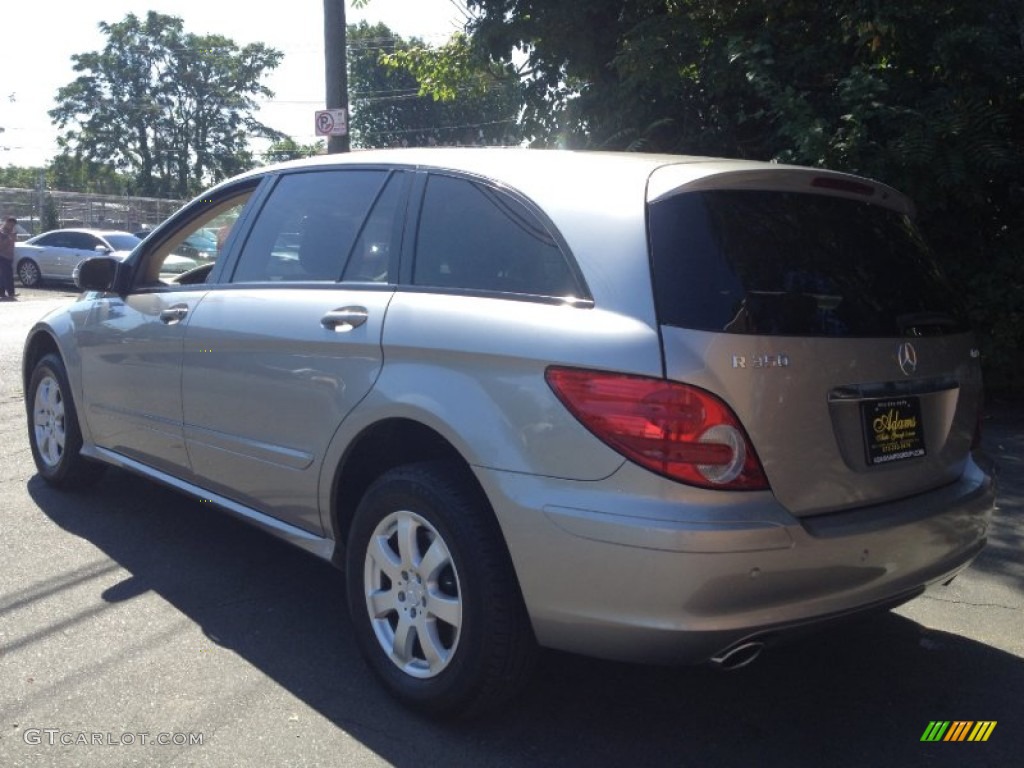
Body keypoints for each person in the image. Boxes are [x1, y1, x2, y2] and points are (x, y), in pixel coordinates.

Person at [0, 216, 18, 300]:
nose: (12, 227)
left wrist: (13, 238)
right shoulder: (2, 232)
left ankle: (4, 293)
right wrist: (9, 239)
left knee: (6, 275)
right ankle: (10, 293)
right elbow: (1, 246)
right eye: (11, 224)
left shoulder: (10, 232)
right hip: (2, 256)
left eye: (13, 225)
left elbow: (13, 243)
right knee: (6, 275)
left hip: (9, 256)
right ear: (6, 223)